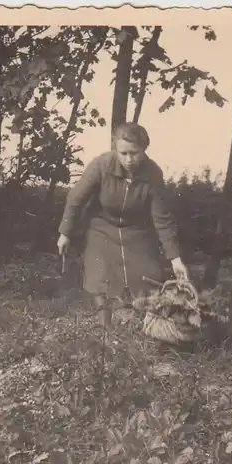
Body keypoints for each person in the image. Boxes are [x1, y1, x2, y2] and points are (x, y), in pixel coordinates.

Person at [57, 122, 188, 327]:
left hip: (136, 229)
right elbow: (76, 198)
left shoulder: (153, 174)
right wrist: (65, 233)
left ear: (144, 150)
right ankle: (105, 327)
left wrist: (175, 257)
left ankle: (145, 324)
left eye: (134, 153)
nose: (129, 159)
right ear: (115, 149)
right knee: (99, 273)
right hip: (102, 225)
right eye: (123, 153)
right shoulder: (101, 165)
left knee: (149, 274)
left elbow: (162, 217)